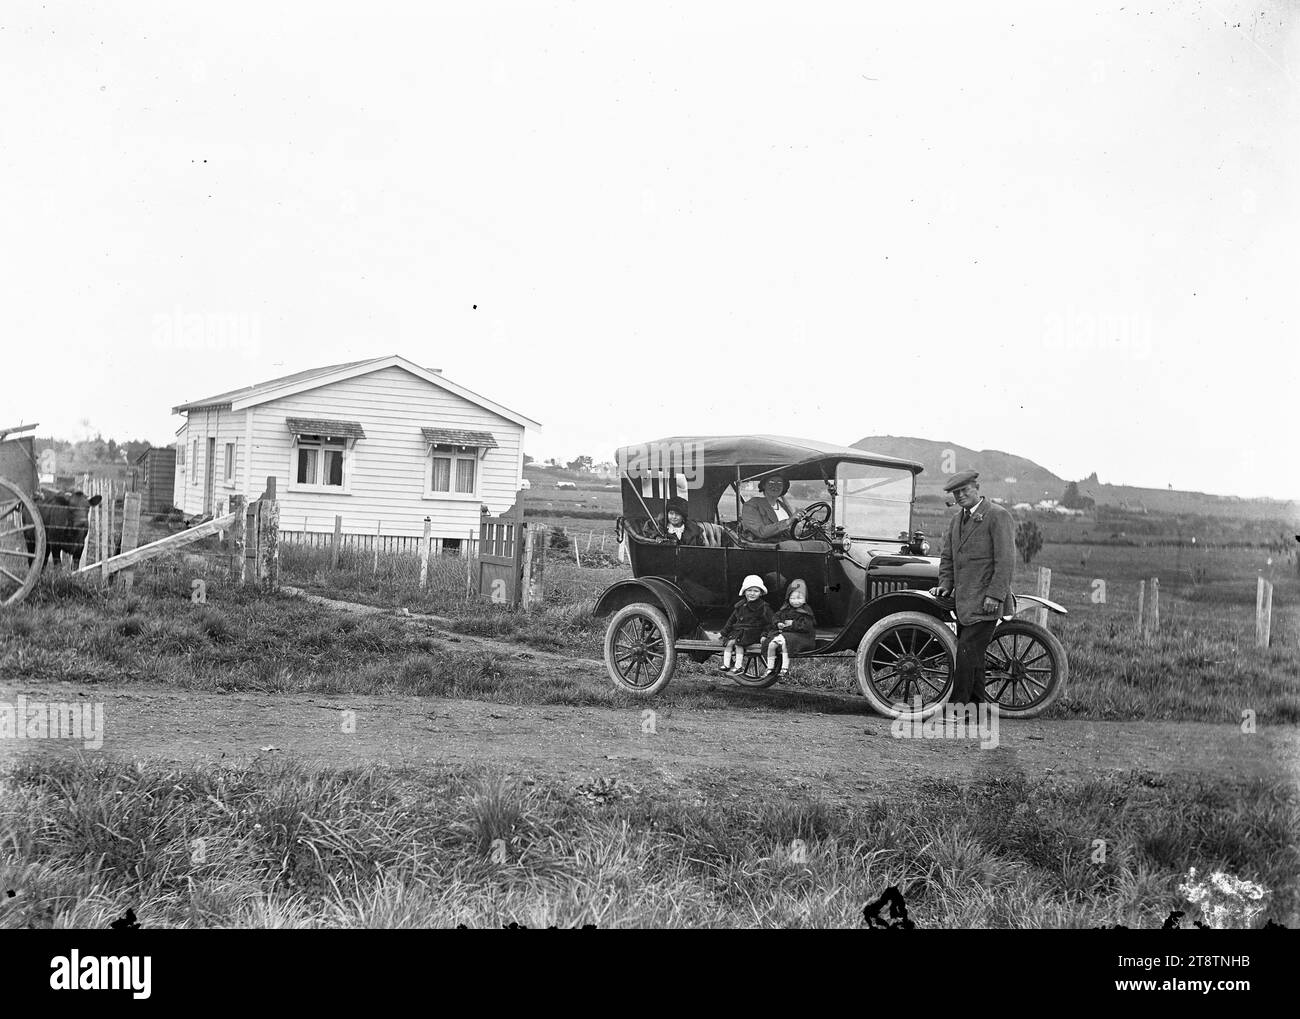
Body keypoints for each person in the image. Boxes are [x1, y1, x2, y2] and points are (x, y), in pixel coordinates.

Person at [936, 470, 1015, 707]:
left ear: (977, 488)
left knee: (966, 653)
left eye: (964, 491)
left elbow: (1006, 560)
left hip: (986, 602)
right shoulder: (956, 520)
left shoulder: (997, 516)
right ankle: (976, 707)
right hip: (964, 604)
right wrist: (945, 584)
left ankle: (958, 708)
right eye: (956, 492)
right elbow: (948, 557)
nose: (960, 496)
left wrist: (995, 595)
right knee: (974, 657)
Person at [760, 578, 817, 678]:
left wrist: (792, 623)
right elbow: (775, 618)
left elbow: (806, 626)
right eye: (792, 598)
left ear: (805, 598)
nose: (795, 601)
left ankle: (784, 668)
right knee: (771, 644)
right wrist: (778, 623)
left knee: (786, 642)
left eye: (799, 598)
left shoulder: (806, 611)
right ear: (788, 598)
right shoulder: (785, 609)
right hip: (785, 634)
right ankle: (770, 667)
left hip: (801, 636)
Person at [719, 574, 774, 675]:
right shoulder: (740, 606)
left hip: (752, 633)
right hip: (739, 631)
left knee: (739, 644)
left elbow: (769, 623)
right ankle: (726, 664)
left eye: (756, 591)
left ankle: (738, 666)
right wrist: (724, 632)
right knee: (729, 643)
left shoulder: (763, 607)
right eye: (749, 590)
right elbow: (731, 620)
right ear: (744, 592)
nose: (752, 593)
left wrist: (764, 634)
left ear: (760, 593)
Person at [739, 474, 808, 543]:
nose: (775, 486)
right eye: (771, 482)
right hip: (766, 548)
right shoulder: (752, 504)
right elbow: (761, 532)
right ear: (763, 485)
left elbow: (793, 530)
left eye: (780, 483)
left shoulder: (783, 506)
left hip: (789, 544)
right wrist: (788, 521)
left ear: (783, 487)